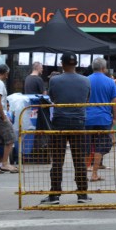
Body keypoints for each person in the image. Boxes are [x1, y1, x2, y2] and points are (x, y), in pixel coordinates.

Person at [41, 52, 91, 205]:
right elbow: (87, 99)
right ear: (76, 64)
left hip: (60, 122)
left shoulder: (55, 80)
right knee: (79, 159)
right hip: (78, 122)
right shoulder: (85, 81)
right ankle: (82, 194)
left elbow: (53, 98)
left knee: (57, 160)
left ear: (62, 64)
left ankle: (55, 194)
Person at [85, 57, 116, 182]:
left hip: (87, 118)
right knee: (101, 145)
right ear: (104, 68)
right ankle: (94, 173)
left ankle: (83, 174)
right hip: (103, 119)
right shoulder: (110, 82)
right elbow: (115, 101)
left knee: (86, 146)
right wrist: (115, 117)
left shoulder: (86, 80)